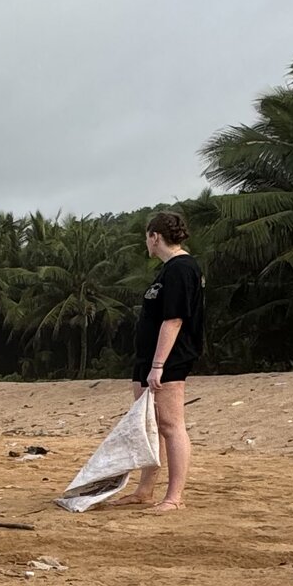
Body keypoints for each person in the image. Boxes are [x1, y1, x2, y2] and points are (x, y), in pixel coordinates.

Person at [130, 210, 203, 511]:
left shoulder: (182, 268)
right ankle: (144, 490)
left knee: (171, 425)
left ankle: (174, 497)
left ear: (155, 236)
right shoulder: (166, 271)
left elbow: (173, 320)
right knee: (151, 425)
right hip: (147, 358)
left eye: (146, 238)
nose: (145, 244)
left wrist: (158, 365)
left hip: (169, 359)